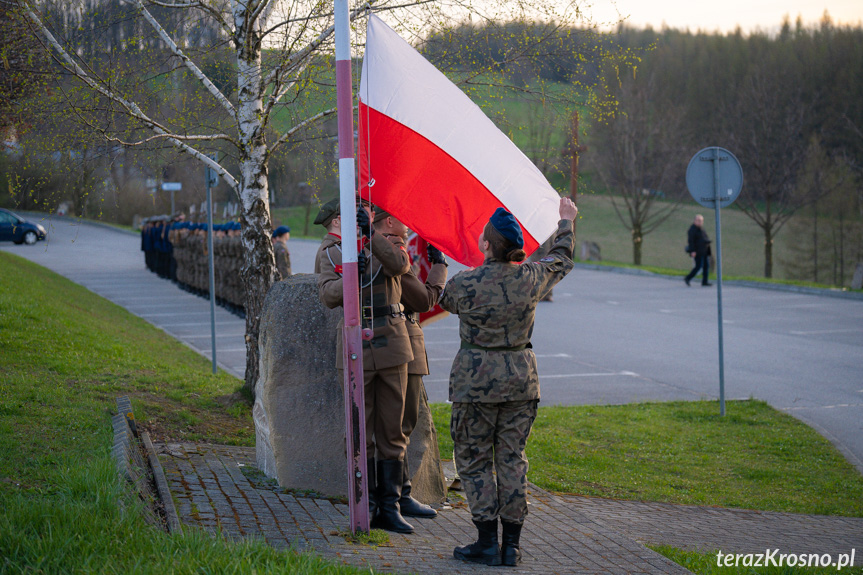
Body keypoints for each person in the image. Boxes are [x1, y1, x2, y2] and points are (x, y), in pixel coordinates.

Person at [440, 197, 577, 567]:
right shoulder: (531, 277)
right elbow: (562, 258)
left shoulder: (466, 282)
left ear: (486, 244)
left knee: (474, 458)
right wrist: (565, 222)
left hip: (475, 382)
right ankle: (512, 546)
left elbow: (441, 298)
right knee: (512, 459)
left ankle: (486, 541)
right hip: (521, 379)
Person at [315, 197, 416, 534]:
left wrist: (370, 235)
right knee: (361, 430)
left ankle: (391, 506)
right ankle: (366, 504)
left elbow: (400, 266)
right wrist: (351, 273)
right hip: (356, 344)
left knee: (392, 430)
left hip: (391, 342)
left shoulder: (385, 241)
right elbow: (328, 296)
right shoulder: (331, 251)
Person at [373, 209, 448, 519]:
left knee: (400, 424)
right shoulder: (390, 252)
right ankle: (396, 497)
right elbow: (424, 300)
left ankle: (400, 494)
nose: (407, 220)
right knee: (400, 424)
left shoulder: (385, 248)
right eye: (400, 215)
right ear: (388, 221)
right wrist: (440, 266)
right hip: (402, 344)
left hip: (401, 342)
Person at [684, 214, 712, 287]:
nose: (700, 222)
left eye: (701, 221)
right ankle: (688, 278)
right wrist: (692, 251)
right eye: (699, 220)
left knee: (706, 266)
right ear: (695, 221)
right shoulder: (692, 230)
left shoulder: (701, 229)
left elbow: (704, 238)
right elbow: (691, 241)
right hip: (697, 252)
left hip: (704, 251)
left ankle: (704, 281)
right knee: (698, 266)